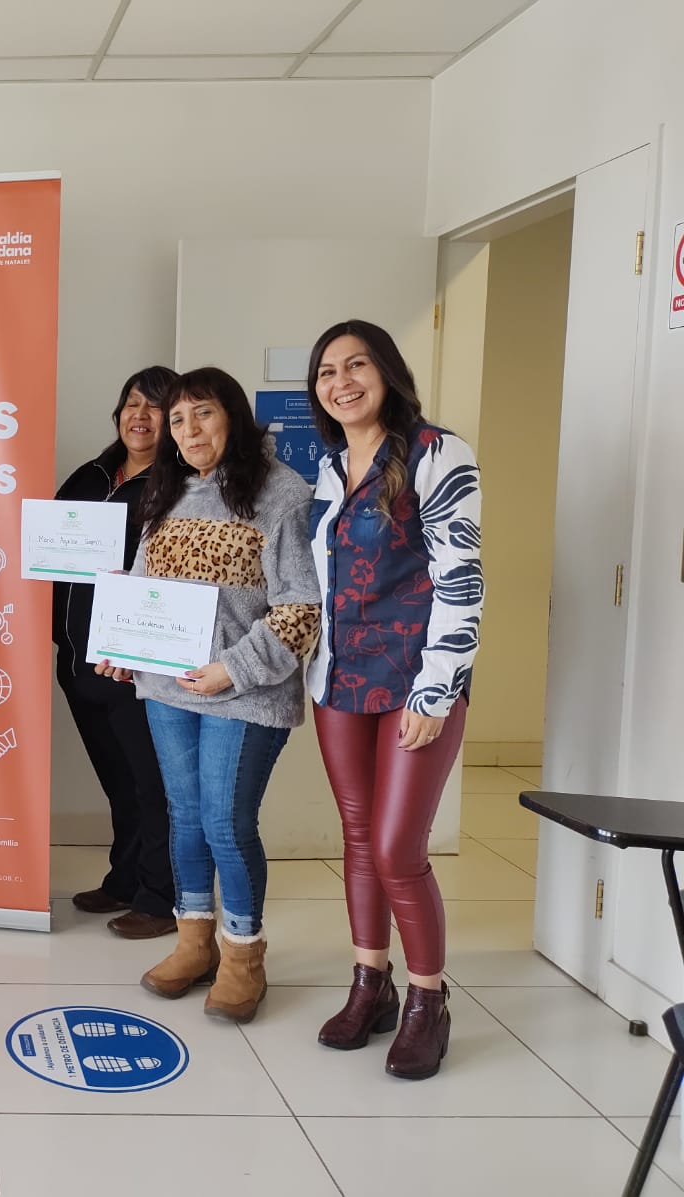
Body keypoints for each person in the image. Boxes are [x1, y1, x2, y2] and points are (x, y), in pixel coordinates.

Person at [97, 366, 320, 1024]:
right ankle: (193, 942)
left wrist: (233, 668)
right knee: (186, 816)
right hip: (169, 691)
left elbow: (301, 610)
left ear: (235, 418)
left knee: (225, 821)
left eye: (204, 414)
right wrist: (121, 643)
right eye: (178, 420)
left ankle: (243, 956)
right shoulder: (165, 493)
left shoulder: (281, 492)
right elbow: (140, 586)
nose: (189, 430)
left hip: (245, 695)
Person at [305, 319, 484, 1080]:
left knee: (397, 851)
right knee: (355, 835)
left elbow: (463, 581)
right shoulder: (328, 463)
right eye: (326, 372)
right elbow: (320, 578)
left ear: (387, 371)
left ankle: (426, 1000)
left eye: (357, 365)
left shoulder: (439, 452)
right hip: (339, 679)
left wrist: (436, 689)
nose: (341, 381)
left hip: (416, 680)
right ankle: (369, 982)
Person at [55, 367, 179, 940]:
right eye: (132, 403)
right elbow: (49, 551)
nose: (140, 416)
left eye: (155, 407)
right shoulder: (93, 473)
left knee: (151, 786)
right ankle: (124, 879)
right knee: (118, 782)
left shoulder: (181, 487)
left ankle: (159, 898)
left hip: (138, 667)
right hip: (79, 661)